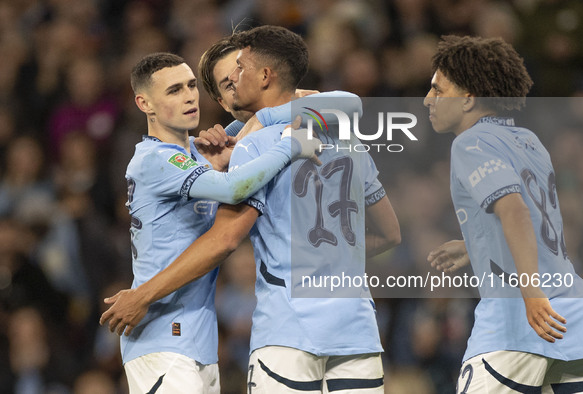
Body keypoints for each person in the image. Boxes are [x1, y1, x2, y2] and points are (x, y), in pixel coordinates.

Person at [101, 26, 400, 393]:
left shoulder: (249, 149)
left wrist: (266, 130)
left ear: (264, 75)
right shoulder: (335, 132)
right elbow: (389, 233)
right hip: (357, 328)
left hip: (284, 329)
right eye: (227, 82)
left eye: (240, 70)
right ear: (225, 104)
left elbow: (226, 237)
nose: (235, 80)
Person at [115, 51, 320, 394]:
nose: (189, 96)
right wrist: (290, 145)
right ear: (144, 103)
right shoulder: (154, 159)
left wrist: (286, 104)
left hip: (197, 340)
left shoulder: (195, 154)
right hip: (161, 337)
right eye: (174, 90)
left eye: (192, 86)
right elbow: (234, 187)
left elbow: (272, 117)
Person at [424, 35, 583, 393]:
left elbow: (514, 211)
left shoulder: (469, 143)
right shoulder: (530, 141)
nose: (428, 100)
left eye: (439, 90)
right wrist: (477, 245)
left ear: (468, 98)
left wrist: (532, 294)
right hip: (575, 315)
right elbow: (534, 217)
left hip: (520, 316)